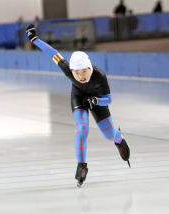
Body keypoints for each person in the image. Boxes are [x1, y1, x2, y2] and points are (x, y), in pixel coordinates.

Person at [25, 24, 131, 187]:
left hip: (98, 99)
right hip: (78, 97)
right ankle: (81, 166)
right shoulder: (67, 69)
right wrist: (34, 39)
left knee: (109, 135)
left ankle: (119, 138)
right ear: (71, 71)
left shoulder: (99, 75)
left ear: (90, 68)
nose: (80, 76)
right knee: (82, 129)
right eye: (76, 73)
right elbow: (53, 52)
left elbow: (108, 99)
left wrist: (96, 101)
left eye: (84, 71)